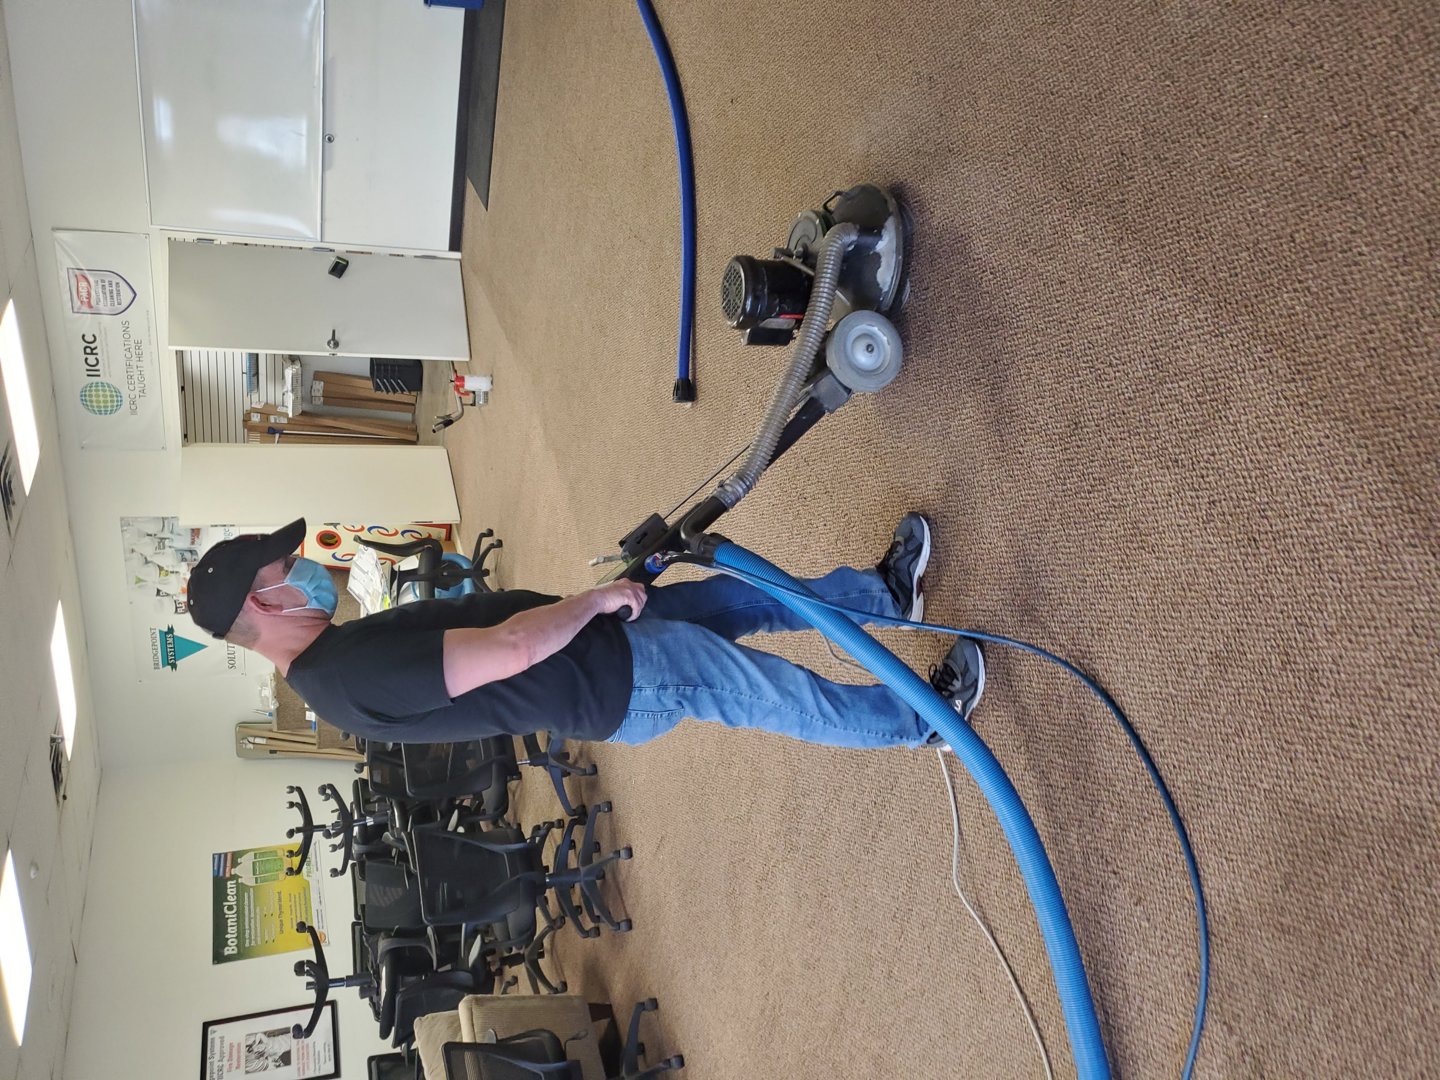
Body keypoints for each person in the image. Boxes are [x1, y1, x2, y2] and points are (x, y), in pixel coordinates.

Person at [185, 515, 985, 751]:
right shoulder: (345, 677)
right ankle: (922, 721)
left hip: (599, 640)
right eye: (283, 568)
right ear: (262, 606)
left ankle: (879, 594)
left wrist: (595, 606)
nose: (304, 567)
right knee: (776, 694)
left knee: (740, 601)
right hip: (613, 678)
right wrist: (594, 601)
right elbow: (508, 650)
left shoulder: (332, 656)